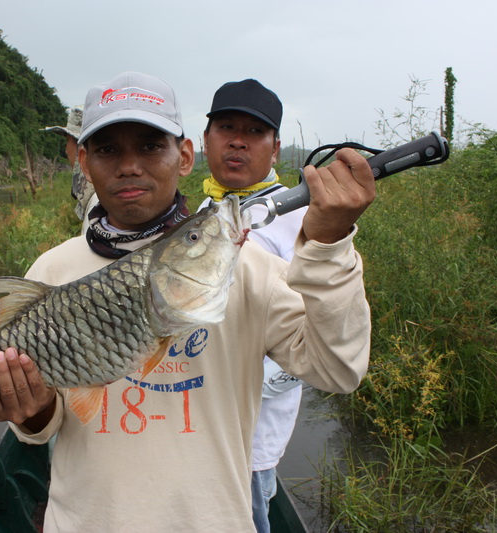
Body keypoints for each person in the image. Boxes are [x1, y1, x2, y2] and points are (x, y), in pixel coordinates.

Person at [0, 71, 375, 532]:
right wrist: (31, 409)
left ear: (185, 156)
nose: (129, 166)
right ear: (84, 163)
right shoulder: (52, 270)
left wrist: (329, 247)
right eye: (108, 150)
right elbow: (41, 426)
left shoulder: (250, 269)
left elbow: (340, 371)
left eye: (150, 146)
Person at [200, 78, 305, 532]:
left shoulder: (302, 220)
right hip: (198, 425)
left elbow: (309, 342)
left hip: (251, 439)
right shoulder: (203, 212)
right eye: (226, 127)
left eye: (255, 132)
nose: (238, 140)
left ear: (275, 148)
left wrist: (241, 377)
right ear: (205, 141)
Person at [42, 106, 97, 233]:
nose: (66, 151)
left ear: (81, 150)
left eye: (67, 141)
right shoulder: (103, 194)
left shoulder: (97, 204)